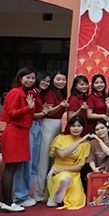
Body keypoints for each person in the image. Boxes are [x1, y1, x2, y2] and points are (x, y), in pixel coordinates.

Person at [0, 67, 36, 213]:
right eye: (27, 77)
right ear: (20, 78)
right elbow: (12, 113)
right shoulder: (16, 92)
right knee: (10, 168)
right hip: (14, 132)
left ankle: (2, 201)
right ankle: (8, 202)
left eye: (32, 78)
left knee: (12, 168)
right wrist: (28, 108)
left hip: (20, 132)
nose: (30, 80)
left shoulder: (25, 93)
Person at [14, 71, 50, 208]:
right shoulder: (30, 93)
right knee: (26, 163)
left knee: (34, 163)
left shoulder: (39, 94)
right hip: (30, 127)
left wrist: (43, 113)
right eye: (43, 80)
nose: (45, 83)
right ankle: (19, 196)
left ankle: (25, 194)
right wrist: (42, 113)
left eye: (48, 81)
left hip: (38, 126)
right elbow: (29, 114)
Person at [35, 70, 69, 202]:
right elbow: (48, 112)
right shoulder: (50, 93)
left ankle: (47, 191)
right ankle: (38, 193)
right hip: (48, 124)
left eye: (63, 79)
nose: (61, 82)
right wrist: (61, 105)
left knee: (52, 160)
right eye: (58, 79)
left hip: (57, 124)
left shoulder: (60, 93)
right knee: (44, 159)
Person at [46, 115, 91, 210]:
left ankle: (62, 197)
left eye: (79, 126)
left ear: (83, 128)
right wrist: (79, 142)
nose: (76, 128)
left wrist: (63, 169)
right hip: (57, 170)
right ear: (69, 127)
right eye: (73, 126)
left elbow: (79, 167)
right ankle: (56, 197)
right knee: (65, 178)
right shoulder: (60, 138)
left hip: (73, 172)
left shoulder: (86, 144)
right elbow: (62, 154)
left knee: (77, 201)